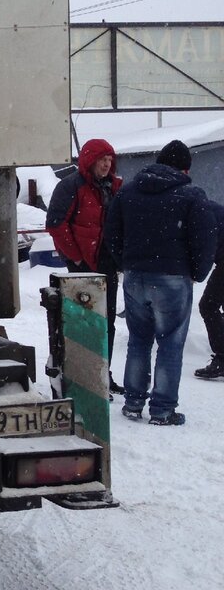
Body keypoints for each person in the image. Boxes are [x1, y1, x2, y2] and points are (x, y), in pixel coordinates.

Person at [104, 140, 217, 425]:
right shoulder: (191, 196)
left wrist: (125, 263)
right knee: (170, 344)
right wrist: (196, 273)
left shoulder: (127, 192)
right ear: (185, 168)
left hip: (135, 276)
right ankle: (162, 410)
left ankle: (132, 403)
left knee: (139, 341)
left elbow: (112, 233)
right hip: (173, 278)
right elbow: (205, 240)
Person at [45, 138, 123, 392]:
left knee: (106, 321)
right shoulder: (70, 187)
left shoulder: (114, 187)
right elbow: (56, 224)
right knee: (83, 323)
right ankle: (82, 377)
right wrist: (76, 258)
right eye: (102, 159)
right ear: (90, 160)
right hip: (82, 267)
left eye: (109, 160)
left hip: (107, 265)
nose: (106, 164)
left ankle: (103, 374)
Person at [194, 199, 224, 380]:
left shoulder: (196, 210)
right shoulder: (204, 205)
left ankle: (222, 357)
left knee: (208, 305)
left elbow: (204, 246)